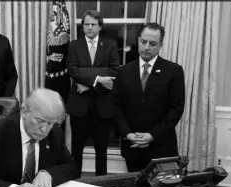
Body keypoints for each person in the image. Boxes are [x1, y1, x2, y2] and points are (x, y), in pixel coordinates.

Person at [113, 23, 185, 172]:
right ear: (138, 40)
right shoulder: (123, 71)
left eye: (152, 44)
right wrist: (127, 134)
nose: (146, 47)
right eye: (143, 42)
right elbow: (115, 107)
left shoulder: (174, 71)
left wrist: (152, 136)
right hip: (132, 147)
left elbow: (176, 110)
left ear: (161, 45)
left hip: (161, 148)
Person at [66, 10, 120, 176]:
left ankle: (101, 185)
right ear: (83, 27)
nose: (89, 28)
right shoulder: (74, 45)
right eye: (86, 24)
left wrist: (90, 84)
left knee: (101, 149)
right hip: (79, 107)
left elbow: (115, 70)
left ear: (100, 27)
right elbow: (73, 70)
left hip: (102, 106)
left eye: (93, 24)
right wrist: (98, 78)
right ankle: (74, 183)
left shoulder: (110, 44)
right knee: (76, 149)